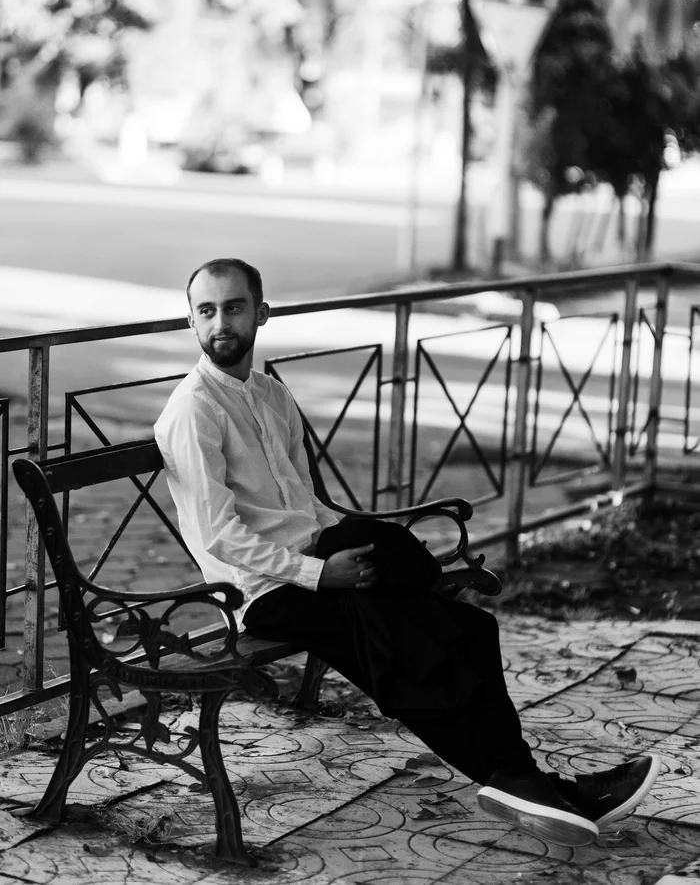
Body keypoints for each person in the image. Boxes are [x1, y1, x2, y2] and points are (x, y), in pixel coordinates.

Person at [154, 257, 660, 850]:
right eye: (207, 311)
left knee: (468, 629)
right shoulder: (194, 410)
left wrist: (349, 548)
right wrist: (322, 573)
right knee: (410, 650)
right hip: (266, 593)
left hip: (323, 565)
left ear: (261, 313)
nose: (221, 323)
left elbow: (308, 504)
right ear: (191, 320)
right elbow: (220, 535)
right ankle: (531, 784)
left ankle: (525, 780)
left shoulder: (270, 395)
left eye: (234, 307)